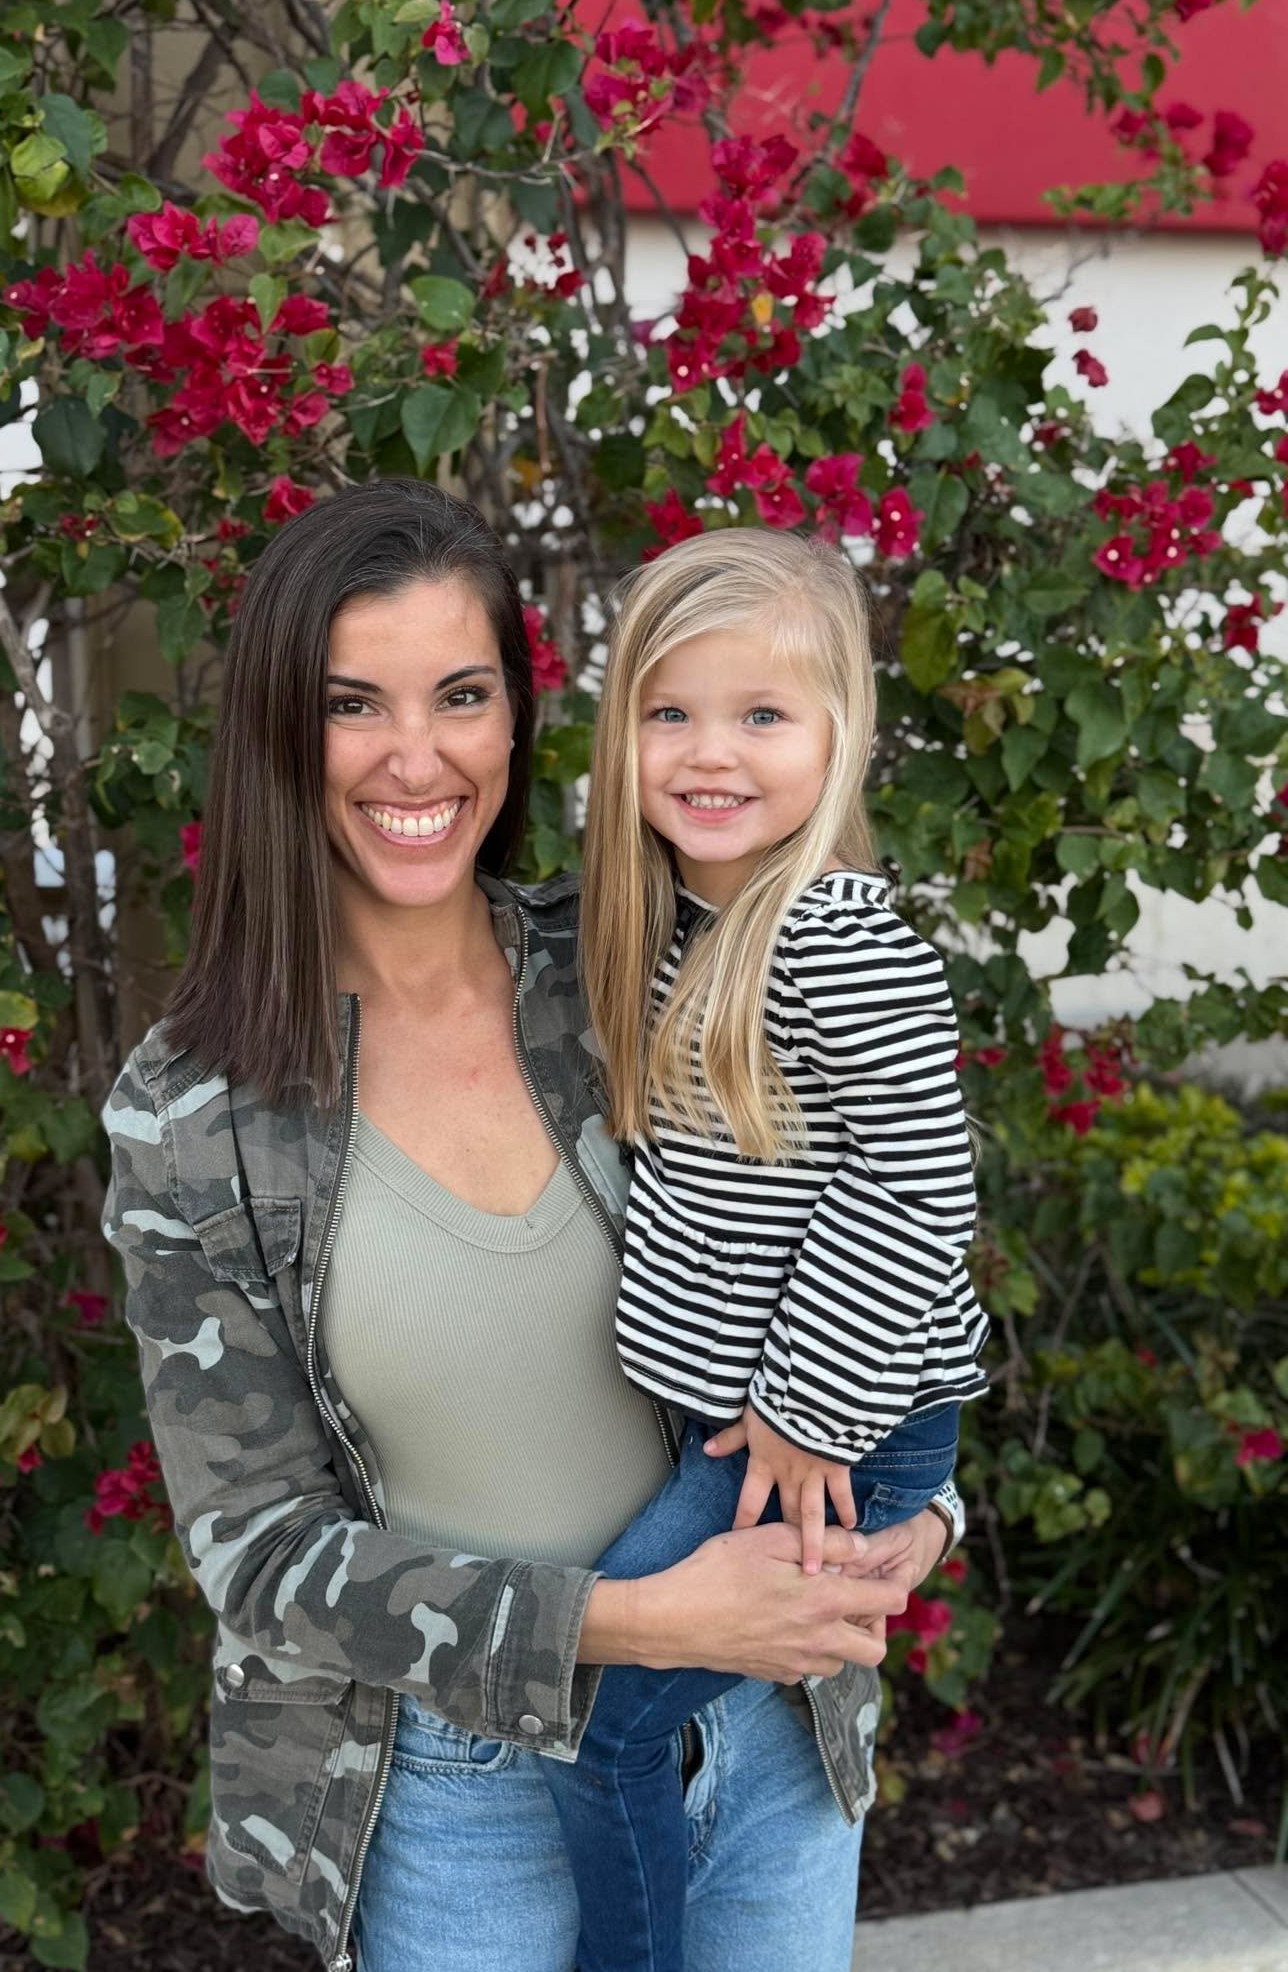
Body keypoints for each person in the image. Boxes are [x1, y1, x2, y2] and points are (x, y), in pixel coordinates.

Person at [99, 480, 954, 1972]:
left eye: (462, 695)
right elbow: (259, 1553)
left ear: (519, 721)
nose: (412, 756)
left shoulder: (630, 966)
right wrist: (620, 1625)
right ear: (273, 734)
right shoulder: (194, 1114)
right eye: (351, 703)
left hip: (765, 1737)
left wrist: (926, 1516)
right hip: (463, 1793)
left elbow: (894, 1216)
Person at [535, 526, 991, 1972]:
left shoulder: (834, 933)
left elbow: (917, 1189)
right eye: (669, 713)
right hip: (753, 1424)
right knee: (650, 1727)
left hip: (823, 1426)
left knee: (594, 1725)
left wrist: (805, 1410)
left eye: (761, 715)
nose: (708, 753)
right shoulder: (683, 927)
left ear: (838, 734)